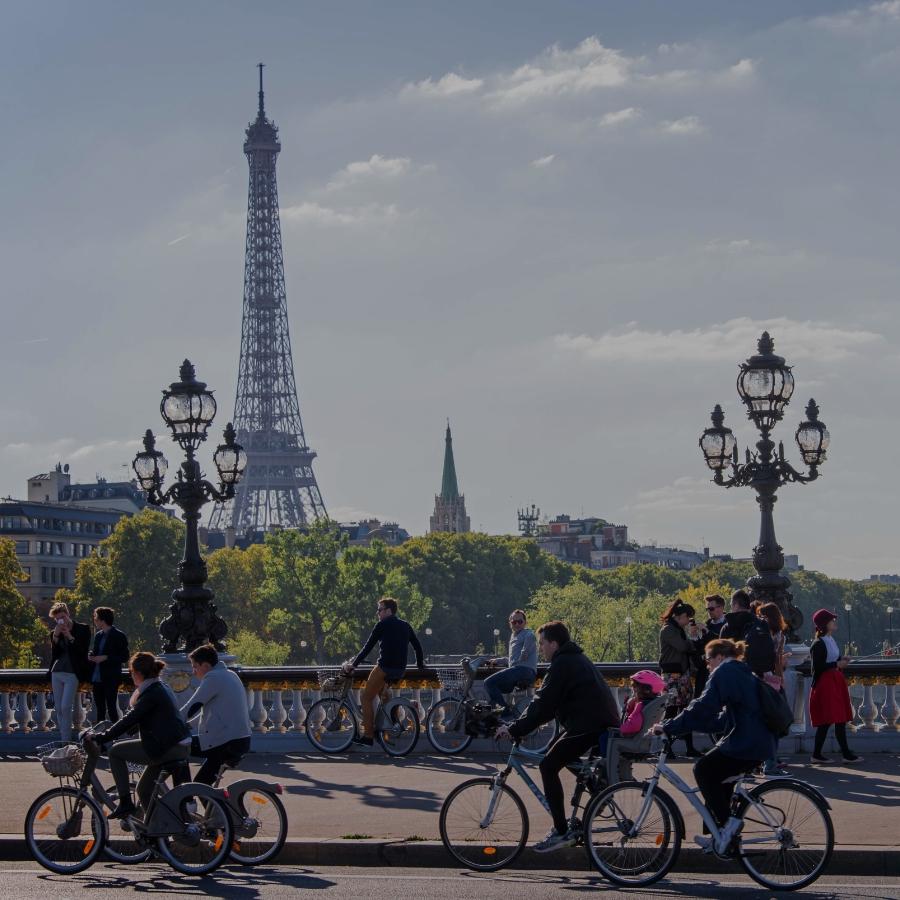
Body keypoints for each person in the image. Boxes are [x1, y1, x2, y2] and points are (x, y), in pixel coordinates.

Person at [495, 621, 620, 853]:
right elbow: (547, 706)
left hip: (589, 724)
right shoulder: (572, 658)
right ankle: (599, 791)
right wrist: (522, 724)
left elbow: (542, 704)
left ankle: (561, 832)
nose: (541, 648)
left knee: (548, 766)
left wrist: (513, 729)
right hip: (595, 722)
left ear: (554, 643)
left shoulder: (562, 663)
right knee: (556, 750)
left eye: (542, 643)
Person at [652, 638, 776, 856]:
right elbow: (719, 719)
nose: (706, 665)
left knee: (703, 770)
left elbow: (701, 707)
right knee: (718, 778)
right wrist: (683, 727)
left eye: (708, 660)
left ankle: (729, 826)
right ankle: (719, 837)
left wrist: (669, 727)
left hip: (746, 743)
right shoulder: (742, 672)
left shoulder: (724, 672)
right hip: (758, 742)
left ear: (720, 657)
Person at [93, 652, 192, 819]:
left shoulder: (151, 693)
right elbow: (145, 717)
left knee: (115, 752)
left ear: (137, 674)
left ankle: (125, 803)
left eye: (131, 672)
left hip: (167, 748)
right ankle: (157, 830)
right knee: (143, 789)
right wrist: (128, 729)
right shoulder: (160, 687)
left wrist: (103, 737)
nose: (131, 676)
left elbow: (130, 718)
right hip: (176, 745)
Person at [342, 596, 425, 747]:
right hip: (399, 670)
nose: (377, 613)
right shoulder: (405, 625)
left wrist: (354, 664)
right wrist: (420, 664)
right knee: (385, 697)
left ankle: (368, 736)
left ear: (388, 611)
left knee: (366, 697)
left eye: (379, 610)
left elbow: (367, 648)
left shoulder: (382, 625)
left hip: (384, 667)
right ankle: (387, 729)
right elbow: (417, 646)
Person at [180, 644, 252, 784]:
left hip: (225, 743)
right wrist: (187, 725)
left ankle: (186, 799)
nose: (193, 671)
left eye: (195, 666)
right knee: (203, 784)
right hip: (240, 740)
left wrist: (172, 721)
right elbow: (207, 712)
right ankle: (210, 803)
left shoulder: (213, 678)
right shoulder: (230, 674)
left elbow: (193, 706)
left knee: (178, 748)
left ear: (206, 665)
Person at [809, 609, 861, 765]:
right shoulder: (818, 644)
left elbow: (832, 659)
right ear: (825, 624)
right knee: (831, 719)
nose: (834, 622)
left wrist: (841, 659)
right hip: (825, 684)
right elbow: (816, 668)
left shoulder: (830, 640)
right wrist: (837, 663)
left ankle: (822, 754)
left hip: (834, 681)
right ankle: (840, 754)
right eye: (832, 620)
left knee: (839, 718)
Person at [604, 670, 667, 784]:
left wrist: (621, 729)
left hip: (635, 742)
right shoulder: (652, 704)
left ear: (647, 690)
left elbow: (633, 725)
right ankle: (625, 777)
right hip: (644, 742)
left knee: (610, 739)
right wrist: (632, 704)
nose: (633, 689)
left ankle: (611, 778)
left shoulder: (641, 705)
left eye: (635, 686)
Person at [658, 599, 701, 757]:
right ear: (680, 616)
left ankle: (689, 747)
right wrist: (691, 640)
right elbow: (683, 646)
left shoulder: (676, 629)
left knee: (685, 711)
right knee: (670, 711)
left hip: (681, 674)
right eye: (687, 618)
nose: (687, 622)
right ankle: (667, 748)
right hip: (672, 676)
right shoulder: (669, 630)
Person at [47, 601, 92, 742]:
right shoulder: (55, 633)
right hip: (57, 671)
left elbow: (82, 651)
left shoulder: (83, 629)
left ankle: (66, 740)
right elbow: (55, 654)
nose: (61, 621)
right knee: (59, 708)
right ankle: (64, 739)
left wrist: (70, 636)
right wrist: (55, 636)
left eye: (62, 617)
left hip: (73, 672)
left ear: (68, 614)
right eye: (58, 619)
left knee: (66, 706)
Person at [757, 602, 791, 776]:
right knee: (774, 721)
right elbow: (777, 660)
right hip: (770, 680)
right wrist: (781, 678)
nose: (760, 618)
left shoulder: (763, 633)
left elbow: (776, 659)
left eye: (763, 615)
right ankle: (769, 761)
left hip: (766, 679)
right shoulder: (777, 635)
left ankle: (767, 760)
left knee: (769, 722)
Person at [485, 609, 537, 719]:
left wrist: (512, 664)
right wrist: (497, 661)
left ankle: (506, 714)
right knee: (494, 691)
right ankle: (500, 721)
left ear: (525, 622)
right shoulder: (514, 636)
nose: (517, 624)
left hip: (524, 671)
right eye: (514, 622)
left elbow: (524, 655)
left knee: (488, 683)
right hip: (516, 671)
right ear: (510, 623)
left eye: (520, 621)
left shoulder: (529, 634)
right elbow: (512, 659)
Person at [87, 607, 129, 724]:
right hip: (97, 676)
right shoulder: (98, 635)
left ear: (102, 620)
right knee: (99, 709)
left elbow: (124, 657)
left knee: (111, 707)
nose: (95, 621)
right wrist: (91, 655)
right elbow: (96, 652)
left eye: (96, 618)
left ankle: (114, 734)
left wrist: (106, 657)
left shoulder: (119, 635)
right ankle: (101, 735)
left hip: (111, 677)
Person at [720, 589, 775, 677]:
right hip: (759, 679)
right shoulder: (762, 624)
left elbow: (721, 657)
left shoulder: (728, 627)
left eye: (731, 605)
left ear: (736, 605)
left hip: (736, 677)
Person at [693, 594, 727, 698]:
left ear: (721, 608)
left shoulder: (728, 624)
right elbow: (702, 648)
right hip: (705, 670)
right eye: (707, 609)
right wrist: (694, 637)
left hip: (722, 669)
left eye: (711, 608)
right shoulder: (708, 624)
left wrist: (707, 632)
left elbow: (723, 643)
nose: (709, 611)